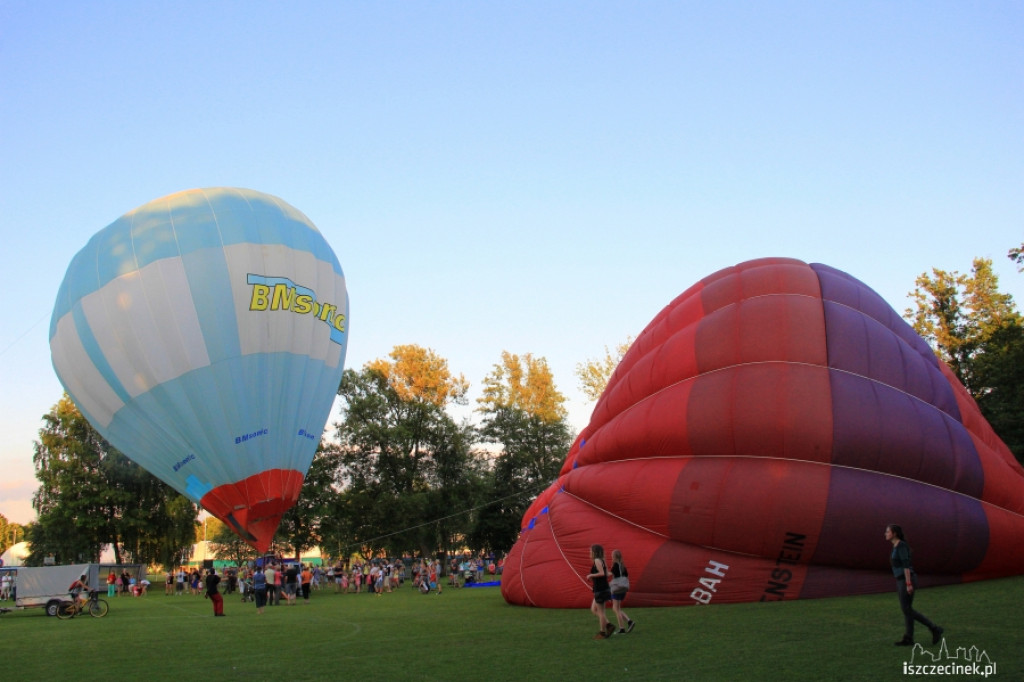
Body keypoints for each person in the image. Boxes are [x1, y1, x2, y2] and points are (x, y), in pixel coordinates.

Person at [886, 524, 943, 646]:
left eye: (888, 532)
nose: (885, 534)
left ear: (894, 533)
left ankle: (934, 628)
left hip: (906, 579)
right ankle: (909, 638)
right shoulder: (895, 546)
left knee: (907, 609)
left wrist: (908, 583)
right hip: (900, 579)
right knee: (907, 609)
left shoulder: (901, 546)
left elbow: (906, 565)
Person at [587, 544, 615, 639]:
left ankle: (602, 632)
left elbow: (602, 574)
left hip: (600, 589)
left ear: (595, 552)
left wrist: (591, 576)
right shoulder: (602, 561)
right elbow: (606, 574)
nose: (589, 553)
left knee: (601, 612)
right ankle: (608, 625)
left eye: (591, 552)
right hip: (603, 588)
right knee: (594, 609)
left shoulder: (597, 561)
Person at [609, 549, 636, 634]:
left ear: (615, 557)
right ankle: (629, 622)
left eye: (612, 557)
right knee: (617, 608)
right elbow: (626, 577)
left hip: (617, 589)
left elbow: (611, 575)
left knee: (616, 609)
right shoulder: (623, 566)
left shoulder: (615, 566)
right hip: (623, 589)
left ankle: (622, 628)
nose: (611, 558)